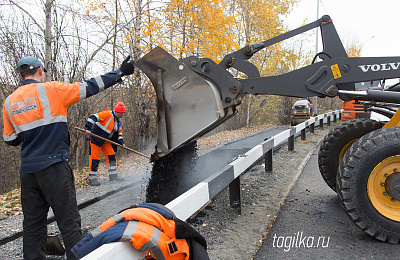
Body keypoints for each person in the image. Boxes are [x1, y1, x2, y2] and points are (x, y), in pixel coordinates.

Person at [2, 55, 135, 259]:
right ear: (40, 71)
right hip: (54, 167)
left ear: (20, 76)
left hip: (28, 171)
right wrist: (120, 72)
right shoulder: (51, 90)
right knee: (69, 222)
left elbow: (10, 139)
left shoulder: (10, 101)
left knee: (33, 225)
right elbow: (89, 87)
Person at [85, 101, 127, 186]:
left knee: (111, 155)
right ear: (118, 112)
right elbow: (93, 117)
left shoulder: (119, 122)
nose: (123, 115)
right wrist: (88, 128)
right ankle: (92, 179)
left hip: (105, 140)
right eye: (122, 113)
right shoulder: (107, 114)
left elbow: (119, 134)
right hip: (96, 139)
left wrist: (121, 143)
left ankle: (113, 176)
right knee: (95, 158)